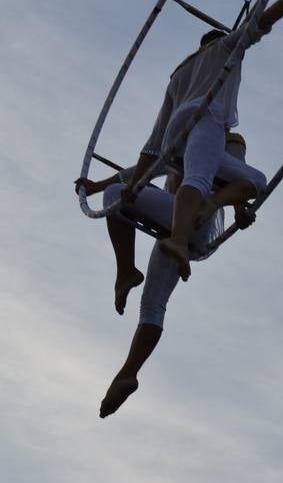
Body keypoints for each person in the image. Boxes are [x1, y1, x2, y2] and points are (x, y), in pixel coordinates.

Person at [122, 0, 283, 282]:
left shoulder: (179, 75)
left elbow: (153, 144)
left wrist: (135, 186)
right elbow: (262, 20)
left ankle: (209, 205)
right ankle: (178, 238)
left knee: (255, 180)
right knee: (200, 177)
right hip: (204, 117)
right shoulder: (225, 50)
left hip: (174, 141)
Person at [75, 132, 259, 417]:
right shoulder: (183, 128)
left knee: (116, 197)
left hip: (195, 222)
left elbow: (240, 177)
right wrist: (96, 185)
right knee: (153, 304)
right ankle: (128, 373)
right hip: (175, 228)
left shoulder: (223, 138)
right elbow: (144, 170)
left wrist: (239, 210)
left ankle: (126, 271)